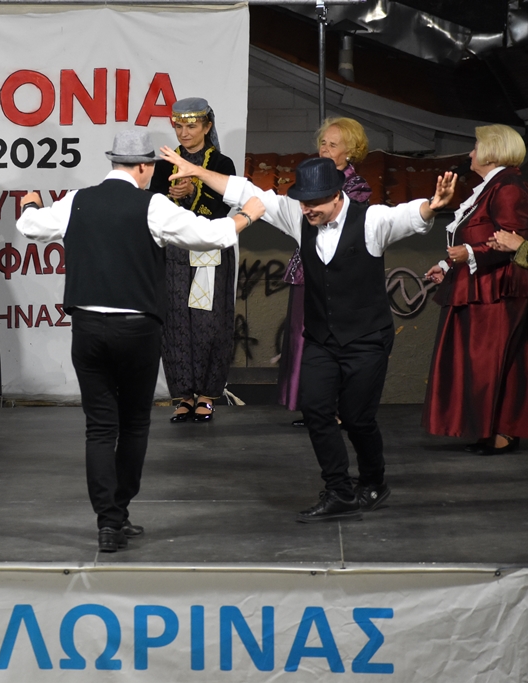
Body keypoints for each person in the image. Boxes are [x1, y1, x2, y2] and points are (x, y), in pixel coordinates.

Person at [161, 148, 456, 522]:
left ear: (337, 195)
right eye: (303, 201)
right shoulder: (298, 215)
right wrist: (198, 171)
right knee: (316, 411)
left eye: (315, 203)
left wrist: (432, 206)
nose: (307, 209)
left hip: (366, 338)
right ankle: (339, 490)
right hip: (320, 337)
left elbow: (408, 217)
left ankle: (373, 481)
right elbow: (245, 190)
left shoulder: (371, 221)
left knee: (357, 419)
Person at [17, 131, 265, 552]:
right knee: (133, 424)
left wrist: (29, 204)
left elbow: (29, 226)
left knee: (100, 428)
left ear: (114, 162)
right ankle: (119, 513)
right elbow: (210, 235)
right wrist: (248, 214)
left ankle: (108, 521)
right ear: (145, 167)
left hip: (88, 328)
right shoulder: (153, 205)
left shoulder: (77, 200)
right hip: (137, 329)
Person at [423, 125, 528, 456]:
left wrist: (469, 253)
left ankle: (503, 432)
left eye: (476, 147)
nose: (470, 153)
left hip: (496, 290)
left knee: (491, 362)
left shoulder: (508, 188)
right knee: (480, 363)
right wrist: (447, 264)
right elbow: (477, 236)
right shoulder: (490, 187)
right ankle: (489, 429)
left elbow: (511, 242)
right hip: (479, 285)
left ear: (493, 152)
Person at [148, 98, 236, 423]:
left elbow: (223, 207)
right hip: (174, 253)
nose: (184, 133)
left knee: (209, 322)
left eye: (192, 126)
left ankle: (208, 394)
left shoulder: (222, 163)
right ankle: (183, 395)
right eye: (179, 126)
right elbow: (151, 205)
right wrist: (171, 197)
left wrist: (192, 194)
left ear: (207, 126)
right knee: (175, 322)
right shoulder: (164, 165)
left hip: (210, 250)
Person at [281, 118, 373, 427]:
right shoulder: (310, 180)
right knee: (301, 338)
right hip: (305, 271)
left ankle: (334, 408)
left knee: (333, 341)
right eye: (323, 143)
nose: (325, 149)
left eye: (333, 145)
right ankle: (313, 406)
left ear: (351, 151)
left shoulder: (357, 186)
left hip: (338, 275)